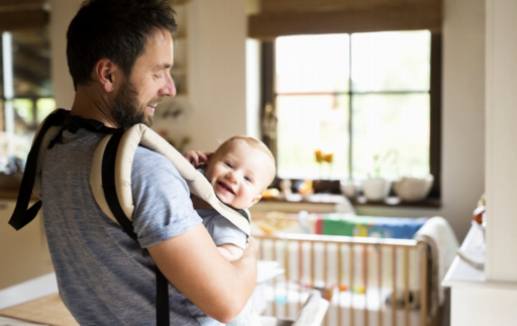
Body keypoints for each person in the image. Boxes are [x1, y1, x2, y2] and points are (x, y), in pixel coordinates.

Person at [38, 0, 257, 324]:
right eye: (159, 72)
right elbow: (228, 302)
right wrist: (250, 242)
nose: (170, 88)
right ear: (108, 74)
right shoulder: (143, 169)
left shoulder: (53, 153)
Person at [184, 136, 276, 325]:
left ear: (253, 200)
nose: (233, 176)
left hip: (218, 316)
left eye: (248, 179)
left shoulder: (229, 221)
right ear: (209, 161)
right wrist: (185, 162)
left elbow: (232, 253)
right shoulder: (195, 183)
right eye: (229, 164)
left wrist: (199, 254)